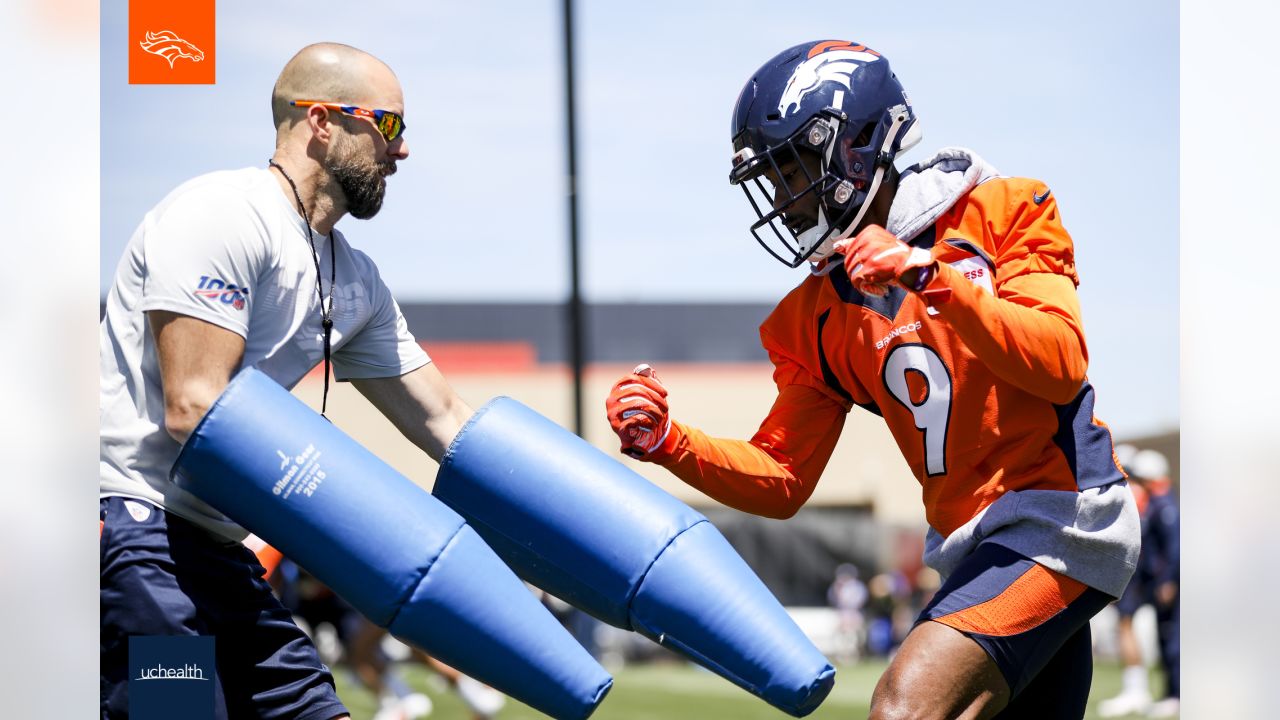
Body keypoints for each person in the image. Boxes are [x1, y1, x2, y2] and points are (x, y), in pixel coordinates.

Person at [605, 39, 1140, 719]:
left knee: (903, 708)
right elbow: (782, 476)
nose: (784, 200)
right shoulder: (819, 312)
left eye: (791, 170)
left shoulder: (1002, 209)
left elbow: (1061, 363)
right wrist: (670, 441)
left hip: (1060, 517)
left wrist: (929, 276)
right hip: (970, 544)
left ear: (853, 145)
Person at [100, 42, 474, 719]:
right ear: (323, 122)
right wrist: (353, 523)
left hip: (218, 553)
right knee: (175, 712)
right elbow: (194, 407)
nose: (403, 151)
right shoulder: (220, 213)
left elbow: (448, 421)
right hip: (137, 539)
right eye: (389, 126)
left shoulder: (353, 279)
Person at [1098, 448, 1180, 719]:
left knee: (1171, 639)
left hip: (1152, 578)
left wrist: (1167, 579)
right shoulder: (1155, 501)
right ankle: (1166, 693)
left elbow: (1172, 547)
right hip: (1150, 578)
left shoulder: (1162, 504)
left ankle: (1167, 694)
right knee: (1162, 635)